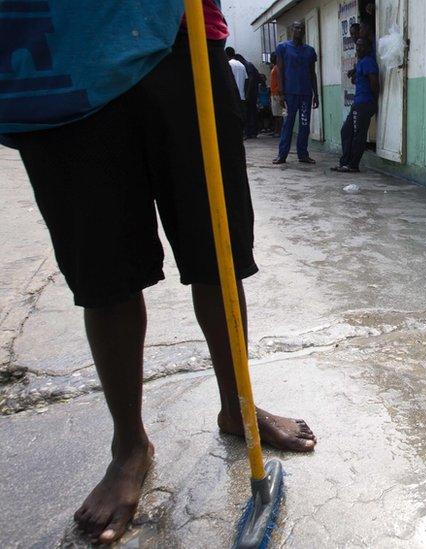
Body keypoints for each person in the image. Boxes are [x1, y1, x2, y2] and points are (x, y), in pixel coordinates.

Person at [0, 1, 316, 543]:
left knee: (217, 250)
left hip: (180, 38)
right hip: (56, 51)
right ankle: (130, 445)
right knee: (103, 270)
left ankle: (237, 407)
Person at [274, 22, 319, 164]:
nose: (299, 30)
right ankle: (282, 155)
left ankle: (303, 154)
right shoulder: (283, 48)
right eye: (296, 28)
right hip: (289, 94)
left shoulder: (310, 51)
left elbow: (312, 73)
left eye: (301, 28)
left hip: (306, 94)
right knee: (288, 123)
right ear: (291, 30)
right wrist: (281, 92)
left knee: (304, 125)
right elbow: (279, 70)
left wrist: (316, 93)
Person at [333, 37, 379, 173]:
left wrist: (373, 101)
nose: (358, 48)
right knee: (347, 131)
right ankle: (345, 163)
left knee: (358, 134)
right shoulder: (361, 62)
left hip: (364, 103)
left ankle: (352, 165)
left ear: (368, 48)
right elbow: (359, 80)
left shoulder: (368, 62)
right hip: (358, 103)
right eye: (357, 45)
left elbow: (375, 84)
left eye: (362, 45)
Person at [234, 51, 261, 139]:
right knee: (251, 112)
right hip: (252, 92)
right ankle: (252, 132)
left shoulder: (247, 65)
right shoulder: (248, 65)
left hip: (251, 94)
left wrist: (247, 94)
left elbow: (251, 80)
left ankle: (252, 132)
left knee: (250, 112)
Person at [226, 48, 247, 117]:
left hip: (232, 97)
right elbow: (246, 80)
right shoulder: (242, 65)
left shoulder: (228, 64)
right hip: (242, 96)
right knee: (242, 118)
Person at [269, 52, 284, 137]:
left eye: (272, 57)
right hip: (273, 93)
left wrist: (279, 92)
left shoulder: (277, 68)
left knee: (279, 114)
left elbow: (279, 81)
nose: (271, 58)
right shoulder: (274, 67)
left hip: (277, 93)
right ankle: (277, 131)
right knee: (276, 114)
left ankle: (280, 132)